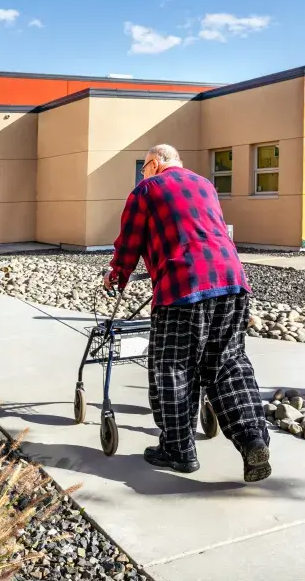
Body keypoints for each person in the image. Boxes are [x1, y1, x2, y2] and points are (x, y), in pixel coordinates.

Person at [104, 144, 271, 483]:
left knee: (173, 367)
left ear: (154, 163)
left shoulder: (147, 189)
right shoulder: (204, 185)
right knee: (228, 364)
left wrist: (116, 275)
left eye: (144, 168)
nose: (142, 174)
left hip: (183, 287)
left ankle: (178, 451)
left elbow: (130, 241)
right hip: (232, 282)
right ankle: (252, 439)